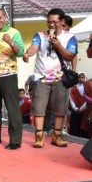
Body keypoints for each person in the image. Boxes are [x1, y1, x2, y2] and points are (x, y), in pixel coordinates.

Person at [23, 8, 77, 148]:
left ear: (62, 21)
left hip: (60, 78)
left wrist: (58, 46)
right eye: (49, 21)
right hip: (41, 77)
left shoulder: (70, 37)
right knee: (39, 108)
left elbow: (70, 56)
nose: (51, 24)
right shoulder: (40, 35)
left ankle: (57, 135)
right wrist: (28, 54)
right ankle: (39, 136)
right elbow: (34, 47)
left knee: (60, 108)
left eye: (55, 22)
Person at [0, 8, 25, 149]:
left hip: (8, 75)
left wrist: (10, 42)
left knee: (12, 108)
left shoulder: (13, 32)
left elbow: (20, 52)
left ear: (5, 18)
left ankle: (15, 140)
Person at [69, 73, 87, 137]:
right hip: (75, 110)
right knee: (74, 125)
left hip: (84, 110)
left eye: (82, 77)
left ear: (85, 78)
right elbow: (71, 98)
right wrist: (75, 108)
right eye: (79, 77)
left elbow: (88, 99)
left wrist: (81, 109)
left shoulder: (87, 88)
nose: (81, 79)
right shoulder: (74, 88)